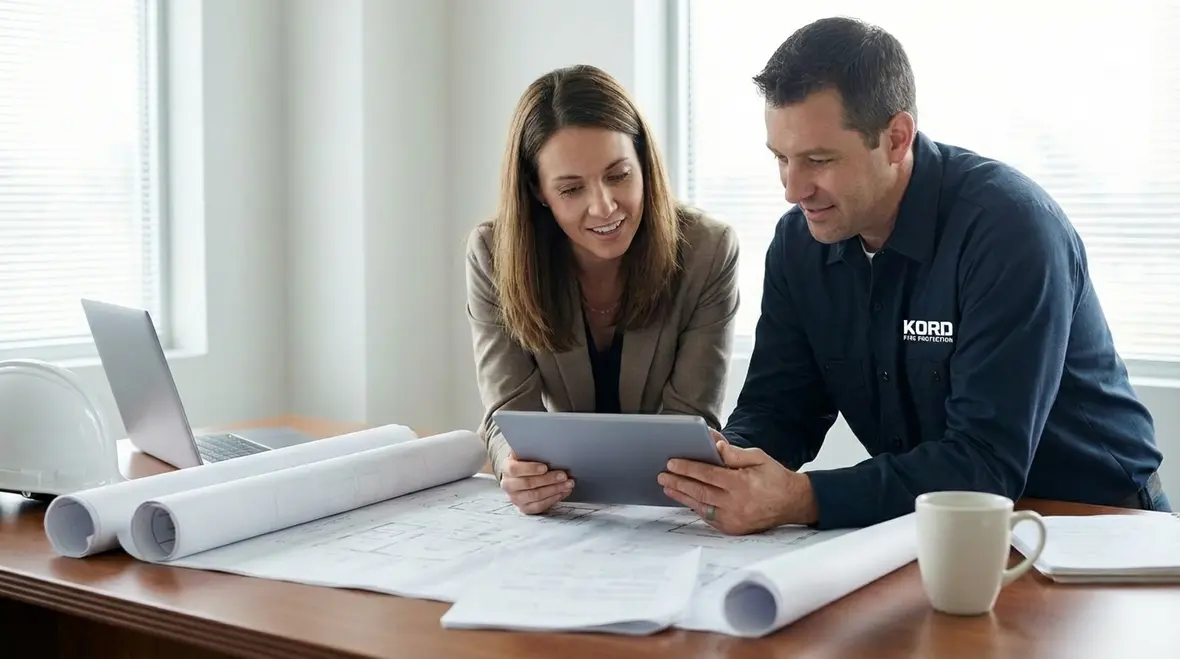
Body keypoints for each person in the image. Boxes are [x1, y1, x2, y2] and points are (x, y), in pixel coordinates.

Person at [658, 16, 1169, 533]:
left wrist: (804, 499)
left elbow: (984, 463)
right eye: (781, 159)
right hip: (929, 527)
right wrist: (720, 468)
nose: (793, 189)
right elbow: (780, 407)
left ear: (897, 138)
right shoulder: (800, 243)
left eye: (818, 160)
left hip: (1094, 525)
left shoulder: (1010, 231)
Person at [466, 64, 740, 515]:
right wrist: (514, 469)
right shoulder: (494, 256)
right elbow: (506, 420)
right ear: (538, 191)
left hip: (666, 511)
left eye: (619, 175)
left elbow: (692, 420)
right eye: (571, 188)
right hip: (561, 516)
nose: (604, 206)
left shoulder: (707, 251)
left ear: (643, 163)